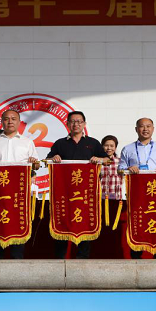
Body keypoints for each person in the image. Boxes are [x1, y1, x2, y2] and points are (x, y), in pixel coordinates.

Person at [0, 110, 40, 259]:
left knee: (18, 223)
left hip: (19, 192)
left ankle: (17, 259)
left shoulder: (27, 142)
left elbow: (37, 165)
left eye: (13, 119)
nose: (10, 121)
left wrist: (34, 162)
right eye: (6, 119)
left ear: (19, 122)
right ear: (2, 122)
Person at [47, 111, 108, 259]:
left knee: (85, 224)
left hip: (86, 194)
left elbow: (107, 160)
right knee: (62, 221)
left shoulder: (93, 143)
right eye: (73, 121)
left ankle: (83, 260)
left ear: (84, 124)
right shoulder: (60, 143)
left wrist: (99, 159)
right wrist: (54, 157)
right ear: (68, 124)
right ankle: (60, 260)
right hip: (65, 193)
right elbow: (47, 160)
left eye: (79, 121)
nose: (76, 124)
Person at [118, 118, 156, 259]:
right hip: (137, 193)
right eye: (142, 126)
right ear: (136, 129)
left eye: (148, 126)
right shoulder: (128, 149)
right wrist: (129, 168)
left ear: (153, 129)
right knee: (138, 222)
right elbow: (120, 169)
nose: (145, 129)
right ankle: (136, 255)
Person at [100, 135, 122, 200]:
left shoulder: (120, 162)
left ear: (115, 148)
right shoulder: (98, 162)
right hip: (101, 196)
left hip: (116, 196)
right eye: (106, 145)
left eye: (112, 146)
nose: (109, 148)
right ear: (102, 146)